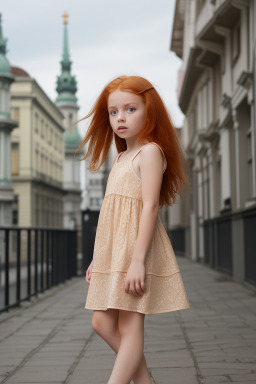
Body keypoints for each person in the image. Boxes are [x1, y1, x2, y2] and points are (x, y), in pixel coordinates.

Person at [70, 75, 191, 384]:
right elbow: (111, 215)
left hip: (137, 249)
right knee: (101, 322)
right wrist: (99, 259)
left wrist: (137, 260)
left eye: (130, 109)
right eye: (113, 112)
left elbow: (150, 207)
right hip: (115, 250)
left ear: (149, 111)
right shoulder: (122, 156)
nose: (120, 118)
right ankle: (145, 381)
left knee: (130, 324)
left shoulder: (149, 152)